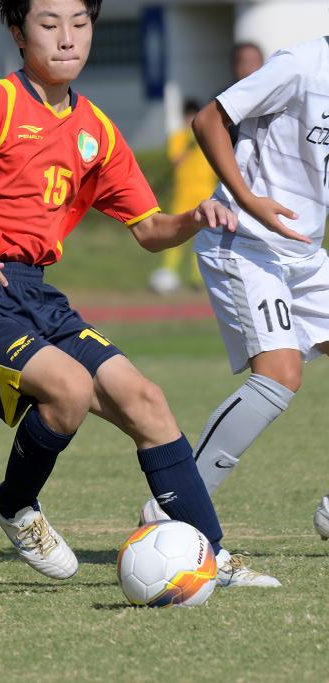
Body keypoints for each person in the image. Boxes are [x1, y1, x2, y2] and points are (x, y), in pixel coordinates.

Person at [0, 0, 277, 588]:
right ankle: (15, 504)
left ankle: (216, 558)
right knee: (70, 389)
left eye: (79, 24)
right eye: (48, 24)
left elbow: (150, 231)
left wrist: (196, 217)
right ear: (17, 31)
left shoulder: (96, 130)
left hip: (37, 293)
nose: (66, 39)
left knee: (146, 400)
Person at [140, 37, 329, 542]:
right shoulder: (301, 65)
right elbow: (207, 120)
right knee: (281, 375)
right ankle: (169, 511)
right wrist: (249, 198)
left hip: (306, 252)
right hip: (246, 241)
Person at [148, 100, 218, 294]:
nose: (191, 121)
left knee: (203, 236)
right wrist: (189, 145)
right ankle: (168, 272)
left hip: (205, 192)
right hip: (184, 192)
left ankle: (198, 278)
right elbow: (176, 161)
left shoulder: (207, 135)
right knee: (175, 233)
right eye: (189, 117)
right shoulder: (178, 137)